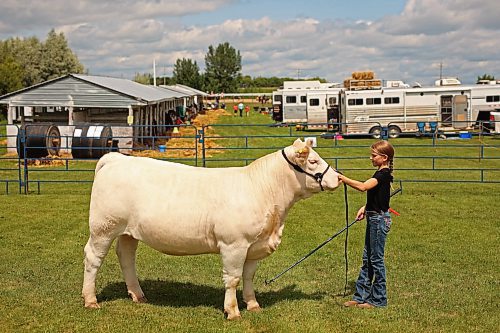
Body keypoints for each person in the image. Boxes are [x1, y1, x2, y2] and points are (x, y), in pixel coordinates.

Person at [338, 140, 395, 309]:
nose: (371, 158)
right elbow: (381, 197)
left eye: (374, 155)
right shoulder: (381, 173)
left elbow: (363, 187)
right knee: (367, 259)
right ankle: (360, 296)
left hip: (379, 220)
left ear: (384, 158)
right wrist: (366, 208)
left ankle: (378, 300)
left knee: (376, 260)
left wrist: (342, 178)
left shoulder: (382, 175)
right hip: (373, 217)